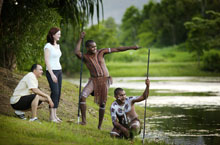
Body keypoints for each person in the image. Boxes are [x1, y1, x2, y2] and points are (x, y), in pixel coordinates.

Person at [74, 32, 140, 129]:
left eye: (95, 47)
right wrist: (80, 38)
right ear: (87, 48)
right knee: (82, 96)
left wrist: (131, 47)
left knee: (102, 103)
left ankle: (99, 126)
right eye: (92, 47)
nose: (95, 49)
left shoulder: (101, 52)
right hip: (94, 80)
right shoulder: (86, 57)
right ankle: (83, 121)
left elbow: (117, 49)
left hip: (105, 80)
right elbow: (77, 52)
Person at [44, 27, 62, 123]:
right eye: (58, 34)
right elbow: (46, 61)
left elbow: (56, 59)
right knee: (54, 92)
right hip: (52, 72)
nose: (59, 35)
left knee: (58, 93)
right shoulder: (48, 46)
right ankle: (51, 117)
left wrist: (58, 72)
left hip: (59, 71)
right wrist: (51, 74)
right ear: (53, 35)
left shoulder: (57, 46)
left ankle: (55, 115)